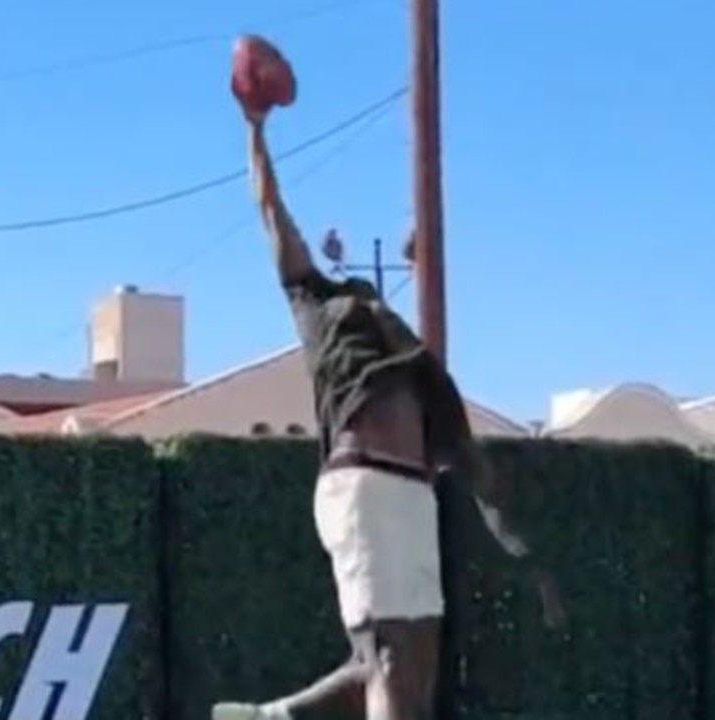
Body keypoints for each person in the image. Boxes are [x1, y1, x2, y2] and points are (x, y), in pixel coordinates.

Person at [212, 110, 564, 720]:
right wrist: (255, 129)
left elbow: (464, 451)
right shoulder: (315, 300)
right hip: (364, 484)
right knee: (392, 661)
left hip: (411, 494)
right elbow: (271, 211)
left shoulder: (402, 344)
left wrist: (525, 551)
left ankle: (275, 718)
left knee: (403, 665)